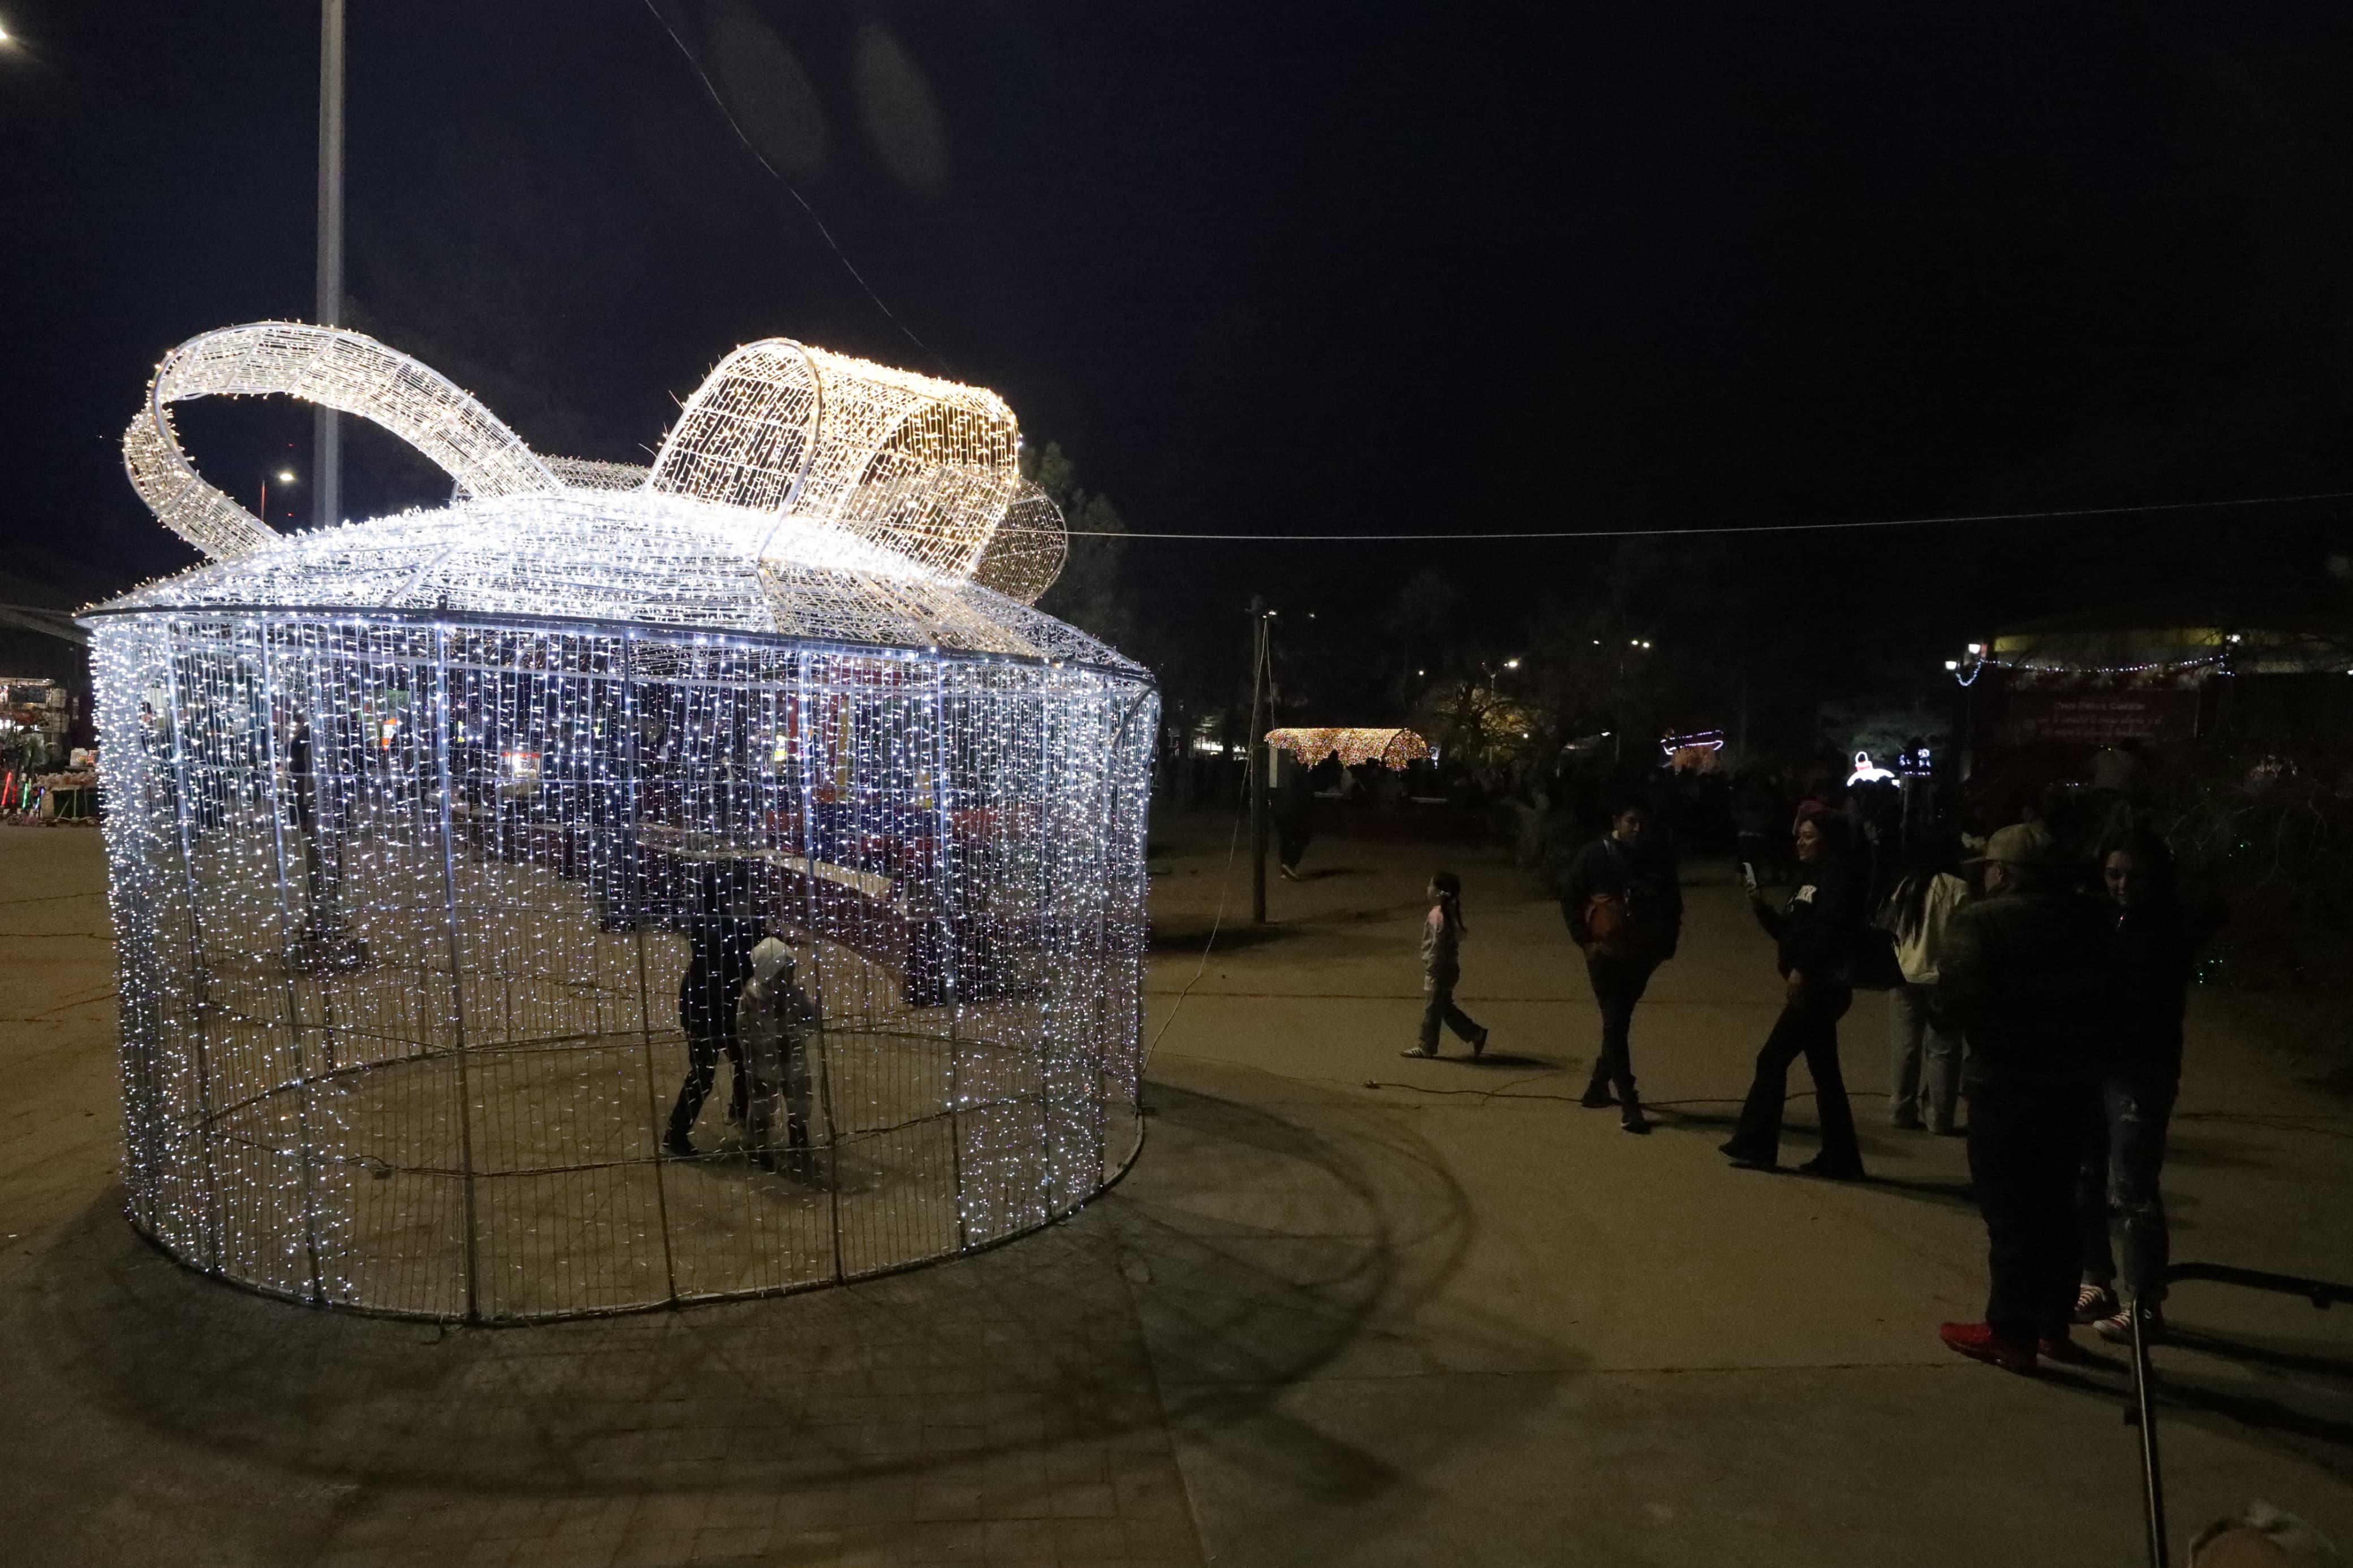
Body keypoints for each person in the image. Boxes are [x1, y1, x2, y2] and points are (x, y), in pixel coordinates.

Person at [1934, 821, 2116, 1373]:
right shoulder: (2088, 920)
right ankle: (2050, 1326)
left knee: (2010, 1211)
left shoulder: (1981, 921)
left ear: (2002, 871)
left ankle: (2009, 1330)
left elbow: (1951, 1004)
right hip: (2071, 1083)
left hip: (2004, 1084)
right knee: (2058, 1209)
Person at [2074, 830, 2205, 1342]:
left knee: (2134, 1188)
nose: (2122, 885)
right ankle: (2095, 1278)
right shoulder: (2104, 918)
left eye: (2132, 875)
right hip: (2097, 1064)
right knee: (2086, 1176)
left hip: (2139, 1070)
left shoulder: (2165, 928)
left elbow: (2144, 999)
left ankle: (2146, 1302)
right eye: (2113, 874)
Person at [1722, 804, 1867, 1177]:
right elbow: (1792, 931)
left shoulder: (1838, 878)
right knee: (1826, 1073)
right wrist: (1759, 907)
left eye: (1808, 836)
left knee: (1771, 1059)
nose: (1800, 842)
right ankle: (1842, 1157)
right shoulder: (1812, 877)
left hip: (1821, 987)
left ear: (1828, 840)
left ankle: (1757, 1145)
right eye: (1799, 836)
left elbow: (1831, 932)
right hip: (1812, 983)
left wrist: (1804, 968)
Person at [1559, 801, 1683, 1134]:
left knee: (1620, 1020)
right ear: (1617, 821)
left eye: (1644, 822)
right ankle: (1630, 1102)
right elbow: (1570, 897)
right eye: (1632, 821)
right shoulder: (1593, 855)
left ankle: (1597, 1088)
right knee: (1615, 1021)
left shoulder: (1658, 856)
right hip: (1604, 954)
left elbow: (1673, 902)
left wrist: (1667, 944)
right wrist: (1585, 941)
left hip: (1643, 954)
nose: (1638, 829)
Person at [1880, 832, 1969, 1134]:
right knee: (1942, 1049)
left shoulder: (1909, 885)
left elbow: (1890, 926)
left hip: (1904, 974)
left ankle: (1900, 1110)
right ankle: (1940, 1118)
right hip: (1942, 978)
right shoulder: (1958, 888)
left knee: (1905, 1046)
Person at [663, 912, 764, 1157]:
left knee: (743, 1062)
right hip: (708, 1015)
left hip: (718, 1012)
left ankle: (740, 1112)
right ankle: (674, 1137)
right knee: (704, 1075)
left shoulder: (727, 935)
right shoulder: (720, 945)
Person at [738, 935, 822, 1176]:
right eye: (786, 971)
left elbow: (811, 1019)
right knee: (762, 1108)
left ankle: (799, 1135)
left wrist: (803, 1028)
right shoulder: (752, 997)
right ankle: (759, 1148)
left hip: (794, 1061)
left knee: (801, 1102)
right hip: (763, 1065)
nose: (791, 976)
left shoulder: (795, 994)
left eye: (792, 970)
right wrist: (755, 1049)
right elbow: (742, 1029)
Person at [1402, 870, 1489, 1059]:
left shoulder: (1438, 916)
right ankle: (1475, 1033)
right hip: (1449, 968)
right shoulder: (1450, 911)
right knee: (1444, 1008)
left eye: (1431, 885)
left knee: (1432, 1010)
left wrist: (1432, 967)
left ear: (1439, 892)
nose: (1428, 888)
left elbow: (1437, 946)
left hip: (1440, 969)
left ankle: (1426, 1046)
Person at [1273, 747, 1314, 881]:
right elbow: (1307, 793)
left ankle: (1284, 869)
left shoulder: (1277, 772)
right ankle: (1290, 864)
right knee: (1304, 838)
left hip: (1279, 811)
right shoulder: (1299, 772)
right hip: (1295, 811)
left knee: (1285, 839)